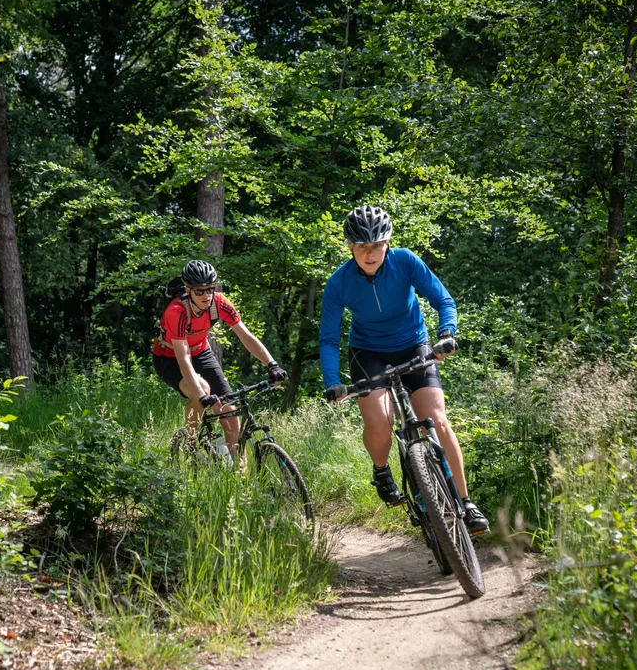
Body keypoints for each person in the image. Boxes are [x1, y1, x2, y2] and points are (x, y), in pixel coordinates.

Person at [319, 205, 489, 535]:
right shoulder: (338, 283)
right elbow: (328, 338)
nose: (370, 253)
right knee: (380, 419)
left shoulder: (406, 261)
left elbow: (444, 301)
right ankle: (381, 469)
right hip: (367, 352)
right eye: (361, 246)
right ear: (350, 247)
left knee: (437, 419)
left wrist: (447, 333)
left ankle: (466, 503)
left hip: (413, 343)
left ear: (388, 242)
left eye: (377, 245)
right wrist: (332, 381)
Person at [153, 259, 288, 455]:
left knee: (228, 408)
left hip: (200, 351)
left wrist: (272, 364)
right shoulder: (176, 311)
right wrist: (201, 396)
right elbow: (183, 359)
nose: (206, 295)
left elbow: (246, 337)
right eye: (200, 291)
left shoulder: (219, 302)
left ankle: (236, 469)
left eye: (210, 289)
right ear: (188, 290)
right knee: (203, 390)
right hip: (169, 358)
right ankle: (189, 444)